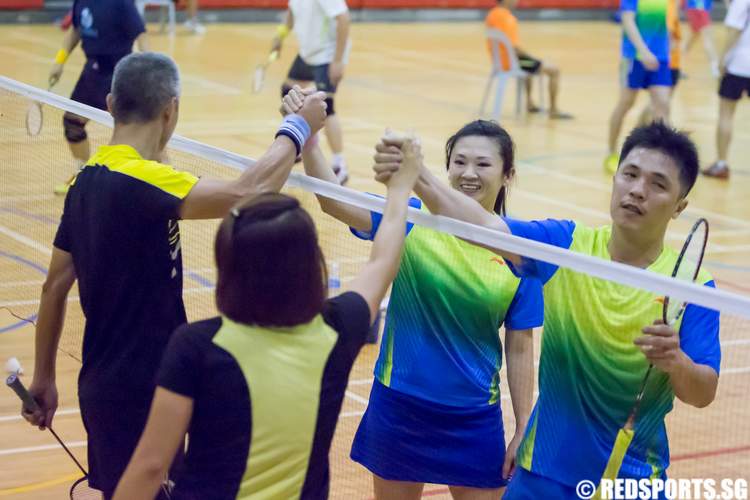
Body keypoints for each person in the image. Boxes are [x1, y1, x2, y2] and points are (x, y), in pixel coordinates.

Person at [23, 53, 327, 499]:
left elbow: (53, 287)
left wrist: (44, 376)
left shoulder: (85, 180)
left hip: (105, 385)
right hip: (144, 391)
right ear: (171, 109)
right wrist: (299, 128)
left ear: (109, 103)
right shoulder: (143, 181)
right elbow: (249, 192)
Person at [375, 122, 720, 498]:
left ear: (679, 207)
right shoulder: (566, 245)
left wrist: (677, 362)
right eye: (630, 175)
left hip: (631, 481)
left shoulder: (692, 287)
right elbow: (481, 225)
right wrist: (417, 172)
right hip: (541, 474)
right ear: (615, 178)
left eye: (658, 184)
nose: (638, 190)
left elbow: (702, 393)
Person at [111, 126, 421, 499]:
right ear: (311, 265)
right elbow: (383, 261)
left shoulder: (196, 347)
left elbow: (150, 466)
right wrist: (401, 188)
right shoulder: (338, 329)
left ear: (228, 266)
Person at [298, 118, 541, 499]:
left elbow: (521, 344)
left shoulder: (520, 250)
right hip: (400, 408)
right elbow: (334, 202)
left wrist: (524, 424)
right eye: (459, 162)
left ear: (508, 174)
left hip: (473, 419)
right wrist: (310, 138)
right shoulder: (411, 218)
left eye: (483, 164)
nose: (468, 174)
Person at [49, 0, 149, 195]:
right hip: (92, 72)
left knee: (136, 130)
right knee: (72, 123)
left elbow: (141, 34)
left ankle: (151, 179)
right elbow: (75, 32)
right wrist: (60, 60)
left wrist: (149, 66)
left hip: (119, 73)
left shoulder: (122, 3)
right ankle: (82, 175)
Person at [272, 0, 351, 184]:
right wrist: (280, 35)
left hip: (326, 56)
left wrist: (338, 61)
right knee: (288, 90)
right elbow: (292, 12)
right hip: (308, 53)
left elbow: (344, 18)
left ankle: (340, 164)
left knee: (327, 107)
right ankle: (298, 145)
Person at [605, 0, 673, 174]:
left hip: (661, 56)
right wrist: (643, 51)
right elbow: (627, 21)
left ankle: (661, 157)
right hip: (634, 57)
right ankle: (611, 152)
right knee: (626, 103)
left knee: (662, 104)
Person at [485, 0, 573, 118]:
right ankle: (553, 110)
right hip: (512, 62)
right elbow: (515, 48)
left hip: (499, 61)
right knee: (554, 71)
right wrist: (535, 59)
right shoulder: (507, 18)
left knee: (529, 66)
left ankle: (530, 103)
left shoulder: (492, 14)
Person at [702, 0, 750, 179]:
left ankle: (721, 163)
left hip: (739, 64)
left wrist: (722, 60)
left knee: (726, 113)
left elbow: (734, 31)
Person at [638, 0, 682, 125]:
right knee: (661, 106)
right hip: (668, 62)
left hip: (669, 61)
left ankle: (638, 133)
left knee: (658, 104)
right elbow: (666, 32)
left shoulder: (672, 5)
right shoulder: (668, 5)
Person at [682, 0, 722, 77]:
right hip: (699, 8)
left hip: (696, 8)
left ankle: (677, 66)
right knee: (708, 38)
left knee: (692, 39)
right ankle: (715, 67)